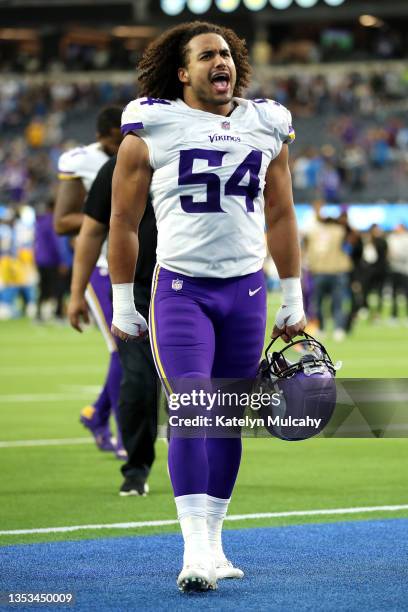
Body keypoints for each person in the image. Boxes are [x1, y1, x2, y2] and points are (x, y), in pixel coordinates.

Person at [108, 21, 306, 592]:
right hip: (181, 291)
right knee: (195, 407)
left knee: (226, 424)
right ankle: (193, 548)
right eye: (206, 55)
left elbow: (281, 215)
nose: (220, 62)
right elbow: (123, 220)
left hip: (245, 291)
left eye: (225, 53)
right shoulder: (154, 122)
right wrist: (124, 300)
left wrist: (292, 295)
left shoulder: (266, 122)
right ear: (182, 69)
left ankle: (215, 544)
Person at [67, 156, 158, 496]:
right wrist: (77, 292)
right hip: (134, 288)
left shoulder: (196, 151)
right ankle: (136, 470)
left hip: (191, 286)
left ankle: (205, 471)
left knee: (200, 382)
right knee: (137, 382)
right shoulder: (121, 163)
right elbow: (91, 230)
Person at [54, 106, 125, 457]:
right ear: (106, 133)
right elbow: (62, 221)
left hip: (136, 264)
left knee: (135, 352)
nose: (124, 140)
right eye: (119, 134)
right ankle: (124, 432)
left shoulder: (139, 152)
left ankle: (97, 415)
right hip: (101, 266)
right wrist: (107, 215)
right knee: (122, 350)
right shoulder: (81, 160)